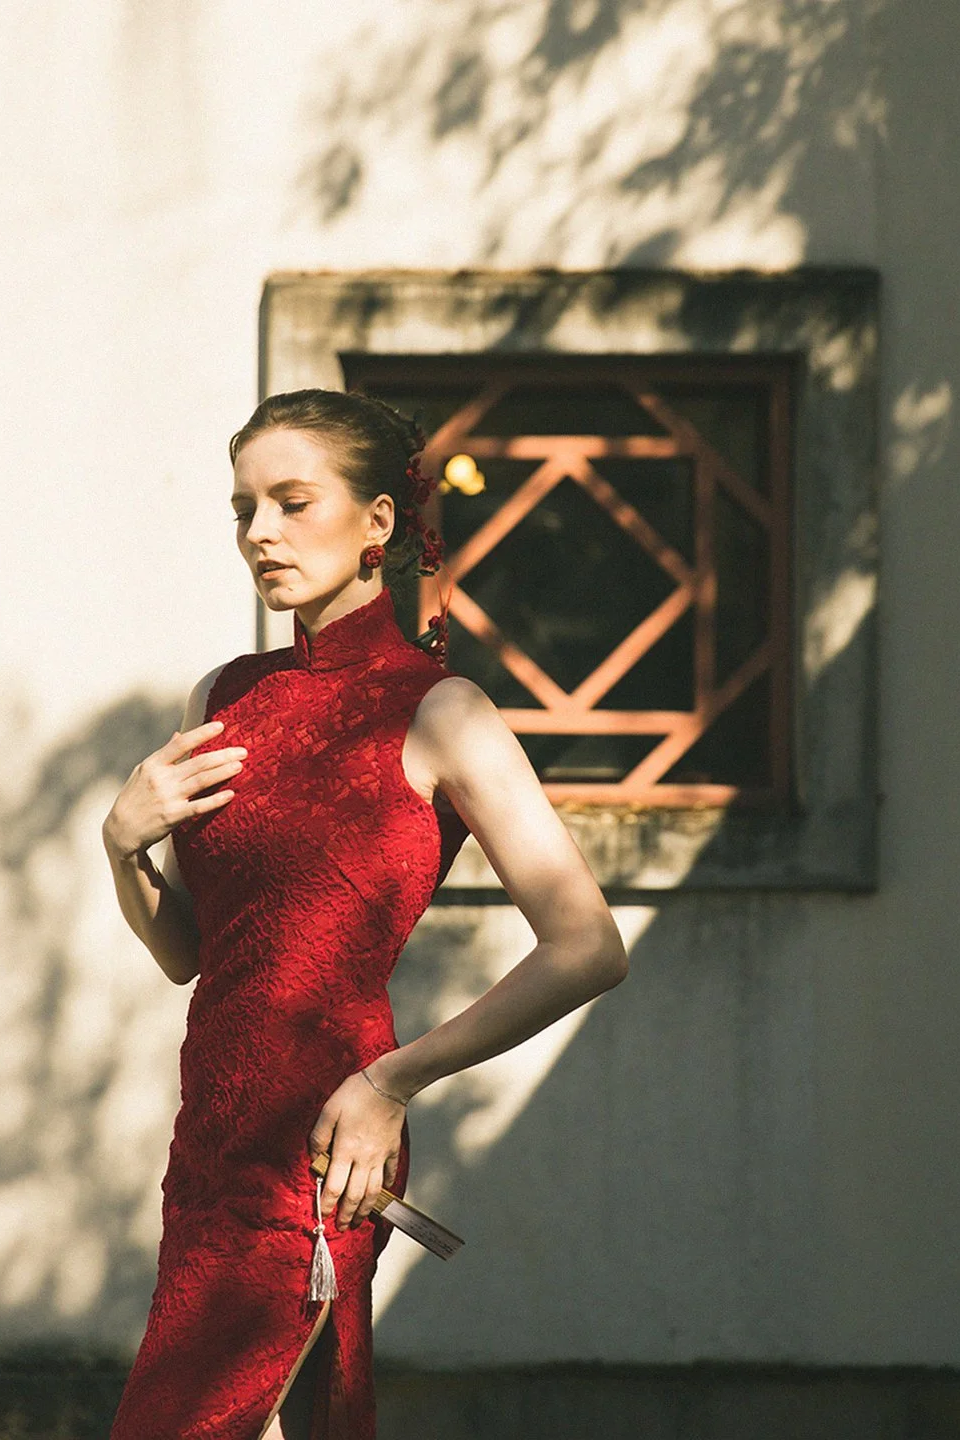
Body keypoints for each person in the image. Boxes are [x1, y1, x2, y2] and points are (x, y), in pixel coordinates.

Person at [101, 388, 630, 1440]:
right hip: (209, 1136)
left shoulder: (442, 710)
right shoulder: (221, 696)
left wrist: (397, 1078)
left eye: (293, 503)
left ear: (379, 523)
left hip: (325, 1137)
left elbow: (589, 947)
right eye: (244, 509)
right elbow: (188, 954)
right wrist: (123, 843)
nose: (261, 534)